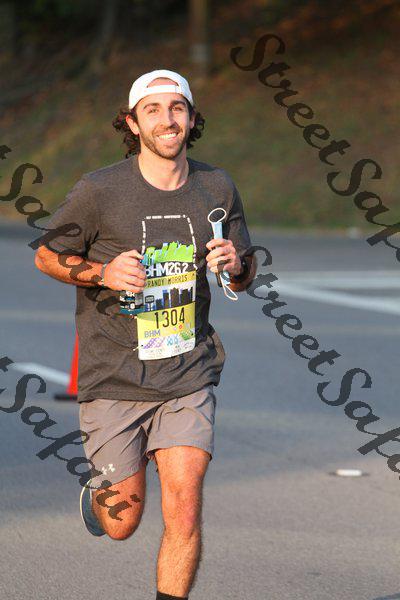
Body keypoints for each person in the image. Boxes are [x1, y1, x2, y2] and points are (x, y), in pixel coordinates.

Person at [34, 69, 257, 600]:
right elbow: (46, 255)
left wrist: (236, 265)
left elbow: (244, 275)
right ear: (132, 124)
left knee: (185, 509)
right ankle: (102, 496)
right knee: (123, 523)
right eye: (152, 110)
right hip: (114, 376)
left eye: (177, 108)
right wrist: (101, 272)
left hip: (188, 372)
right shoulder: (100, 190)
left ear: (193, 119)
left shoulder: (217, 187)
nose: (167, 119)